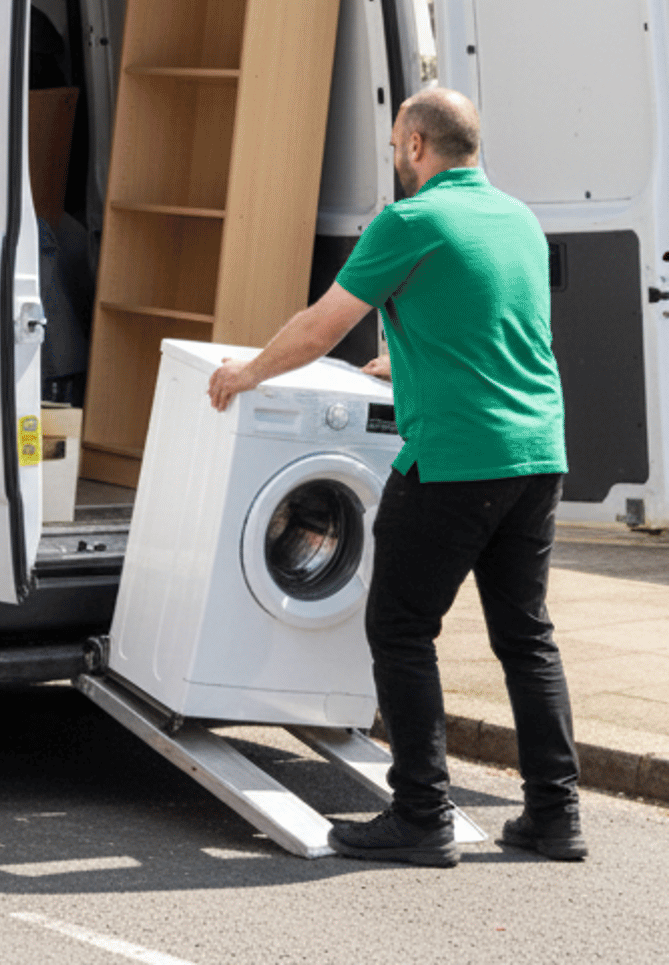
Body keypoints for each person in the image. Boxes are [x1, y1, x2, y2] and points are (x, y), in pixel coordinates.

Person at [208, 87, 580, 868]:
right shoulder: (516, 217)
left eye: (394, 144)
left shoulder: (409, 221)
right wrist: (402, 362)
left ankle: (420, 815)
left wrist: (248, 373)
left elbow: (321, 324)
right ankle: (555, 815)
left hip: (454, 458)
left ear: (415, 143)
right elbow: (488, 327)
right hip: (537, 452)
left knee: (402, 627)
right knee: (527, 636)